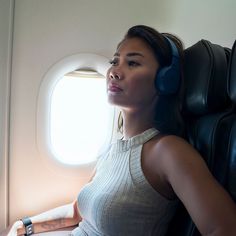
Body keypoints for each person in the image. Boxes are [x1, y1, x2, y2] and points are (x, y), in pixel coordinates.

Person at [2, 25, 236, 236]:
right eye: (115, 61)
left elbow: (224, 228)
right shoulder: (114, 148)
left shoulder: (167, 151)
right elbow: (77, 211)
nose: (114, 71)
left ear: (166, 80)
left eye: (132, 63)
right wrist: (24, 225)